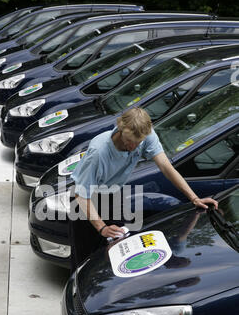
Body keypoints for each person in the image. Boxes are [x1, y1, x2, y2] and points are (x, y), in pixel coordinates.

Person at [69, 107, 218, 272]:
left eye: (138, 142)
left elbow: (166, 167)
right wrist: (101, 227)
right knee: (84, 262)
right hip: (86, 201)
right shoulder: (99, 152)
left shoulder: (145, 135)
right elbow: (81, 195)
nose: (133, 146)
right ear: (120, 127)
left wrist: (195, 198)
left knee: (120, 249)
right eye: (129, 140)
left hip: (113, 193)